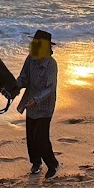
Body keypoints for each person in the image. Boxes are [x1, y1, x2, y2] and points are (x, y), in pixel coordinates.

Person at [15, 29, 61, 178]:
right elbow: (23, 78)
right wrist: (14, 86)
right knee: (31, 136)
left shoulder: (51, 64)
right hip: (30, 103)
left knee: (41, 137)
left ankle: (52, 164)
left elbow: (50, 88)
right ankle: (36, 163)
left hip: (45, 106)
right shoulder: (30, 59)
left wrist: (37, 100)